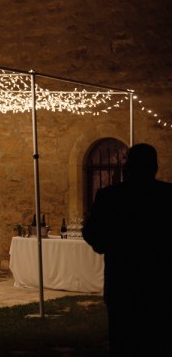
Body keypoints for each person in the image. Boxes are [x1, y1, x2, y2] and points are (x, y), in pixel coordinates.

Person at [82, 143, 172, 357]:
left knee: (124, 340)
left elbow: (92, 233)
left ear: (128, 166)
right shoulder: (168, 196)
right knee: (158, 340)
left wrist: (106, 244)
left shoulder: (110, 196)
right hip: (160, 283)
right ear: (155, 167)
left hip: (123, 281)